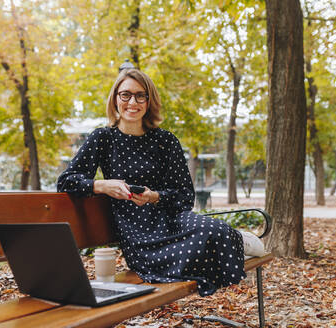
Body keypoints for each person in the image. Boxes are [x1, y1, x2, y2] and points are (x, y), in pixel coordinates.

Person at [57, 68, 265, 296]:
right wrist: (102, 185)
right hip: (138, 235)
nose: (132, 102)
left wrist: (154, 196)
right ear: (115, 98)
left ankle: (235, 240)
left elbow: (185, 196)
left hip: (172, 219)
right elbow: (66, 181)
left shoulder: (165, 140)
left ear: (149, 101)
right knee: (202, 244)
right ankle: (233, 243)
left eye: (140, 95)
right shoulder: (103, 138)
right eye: (125, 95)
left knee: (213, 230)